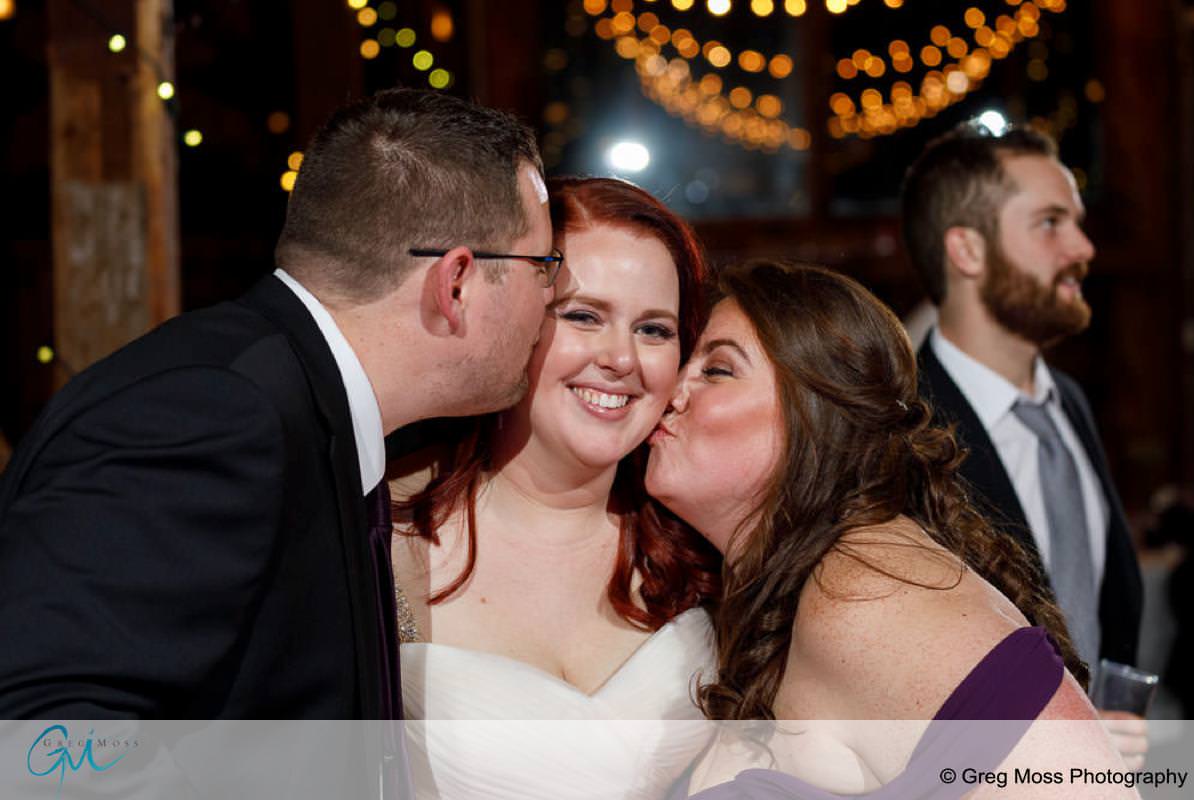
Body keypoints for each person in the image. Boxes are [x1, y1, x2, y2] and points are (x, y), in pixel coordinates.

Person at [0, 87, 554, 719]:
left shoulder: (308, 404)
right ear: (454, 283)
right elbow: (39, 730)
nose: (550, 297)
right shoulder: (215, 415)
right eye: (543, 264)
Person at [647, 261, 1135, 798]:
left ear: (818, 414)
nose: (671, 389)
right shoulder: (789, 588)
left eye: (717, 370)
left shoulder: (865, 592)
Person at [390, 176, 720, 799]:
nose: (621, 358)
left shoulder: (709, 546)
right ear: (514, 324)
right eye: (583, 316)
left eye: (653, 330)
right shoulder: (383, 539)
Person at [900, 123, 1142, 679]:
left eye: (1076, 223)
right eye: (1050, 224)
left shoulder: (1070, 405)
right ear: (967, 250)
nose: (1084, 248)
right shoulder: (902, 430)